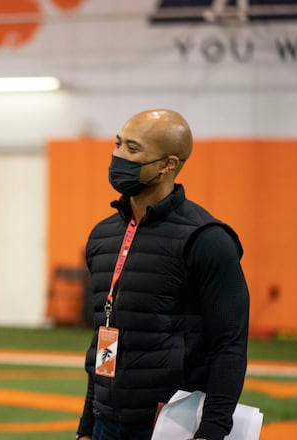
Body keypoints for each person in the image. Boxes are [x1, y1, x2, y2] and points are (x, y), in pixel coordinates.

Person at [76, 109, 249, 440]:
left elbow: (230, 345)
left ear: (168, 164)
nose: (118, 156)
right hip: (105, 421)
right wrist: (87, 424)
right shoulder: (102, 237)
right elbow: (104, 334)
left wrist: (211, 431)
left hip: (170, 426)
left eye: (133, 149)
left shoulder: (208, 239)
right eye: (118, 144)